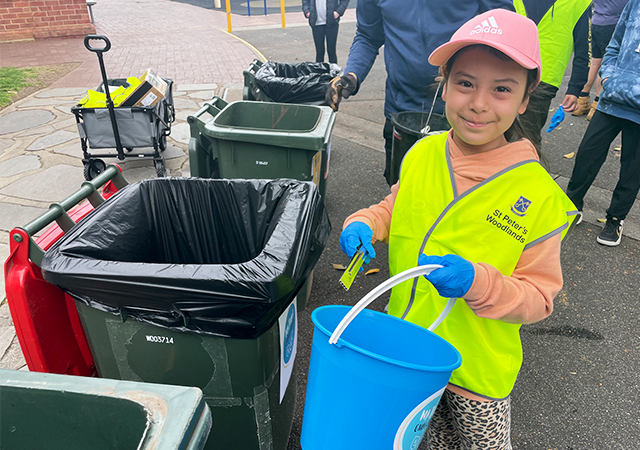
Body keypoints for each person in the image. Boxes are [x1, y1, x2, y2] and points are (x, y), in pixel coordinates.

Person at [338, 9, 579, 448]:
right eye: (465, 82)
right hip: (407, 351)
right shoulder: (422, 153)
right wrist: (366, 223)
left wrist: (479, 283)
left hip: (477, 372)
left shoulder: (537, 194)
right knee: (416, 441)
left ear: (526, 101)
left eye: (502, 89)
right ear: (444, 84)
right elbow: (396, 205)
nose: (479, 103)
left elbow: (540, 297)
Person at [324, 0, 515, 186]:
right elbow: (367, 36)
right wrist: (352, 75)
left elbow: (503, 30)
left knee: (460, 195)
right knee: (401, 187)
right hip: (400, 112)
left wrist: (471, 78)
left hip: (464, 113)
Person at [566, 0, 640, 247]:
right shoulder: (634, 4)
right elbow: (615, 43)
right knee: (588, 152)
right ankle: (572, 205)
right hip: (613, 97)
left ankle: (615, 220)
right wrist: (607, 75)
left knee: (633, 166)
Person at [514, 0, 592, 150]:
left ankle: (527, 169)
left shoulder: (579, 3)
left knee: (528, 138)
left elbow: (584, 50)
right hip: (506, 71)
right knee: (495, 130)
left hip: (544, 80)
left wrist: (575, 89)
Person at [572, 0, 630, 119]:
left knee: (595, 62)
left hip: (596, 22)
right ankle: (596, 104)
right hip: (612, 25)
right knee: (606, 64)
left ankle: (582, 100)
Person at [302, 0, 350, 64]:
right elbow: (305, 2)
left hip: (331, 22)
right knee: (319, 52)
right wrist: (307, 12)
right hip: (316, 23)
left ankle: (333, 72)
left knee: (331, 51)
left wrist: (338, 12)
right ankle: (319, 72)